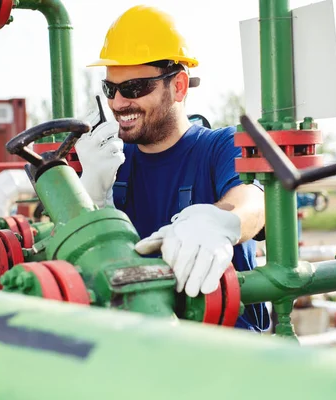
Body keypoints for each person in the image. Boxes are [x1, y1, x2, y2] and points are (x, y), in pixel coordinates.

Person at [76, 5, 269, 332]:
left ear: (178, 86)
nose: (119, 102)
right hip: (138, 347)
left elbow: (254, 202)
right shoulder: (109, 161)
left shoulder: (220, 145)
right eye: (112, 89)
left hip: (229, 352)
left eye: (135, 88)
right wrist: (85, 197)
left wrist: (217, 221)